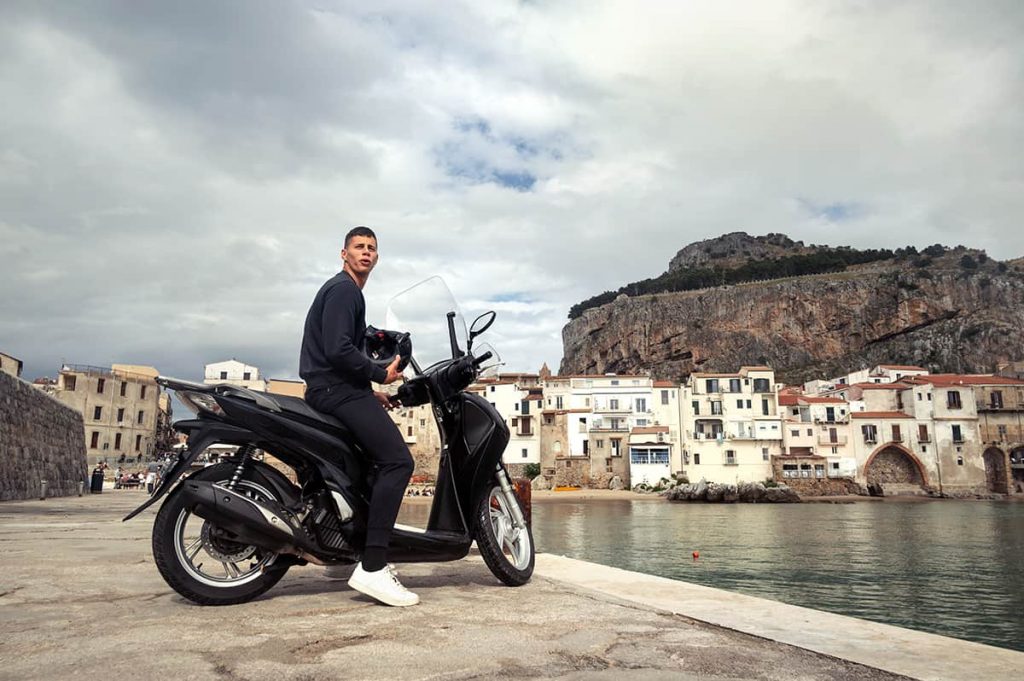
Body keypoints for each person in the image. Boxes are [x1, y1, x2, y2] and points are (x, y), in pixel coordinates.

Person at [299, 225, 417, 607]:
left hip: (335, 389)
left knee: (368, 467)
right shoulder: (344, 290)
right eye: (358, 247)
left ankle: (354, 544)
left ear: (377, 258)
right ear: (344, 253)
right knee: (398, 461)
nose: (365, 253)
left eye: (371, 248)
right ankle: (373, 567)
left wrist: (371, 393)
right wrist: (380, 373)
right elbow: (337, 349)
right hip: (335, 391)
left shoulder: (346, 292)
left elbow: (339, 354)